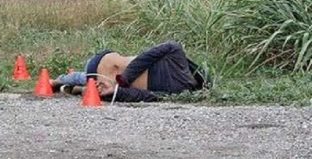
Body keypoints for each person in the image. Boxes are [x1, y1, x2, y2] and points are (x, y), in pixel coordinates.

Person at [51, 41, 206, 102]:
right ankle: (59, 81)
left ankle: (76, 88)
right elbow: (148, 56)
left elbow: (145, 96)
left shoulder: (180, 92)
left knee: (90, 83)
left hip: (109, 80)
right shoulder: (175, 53)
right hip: (102, 65)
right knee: (82, 77)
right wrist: (125, 78)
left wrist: (117, 92)